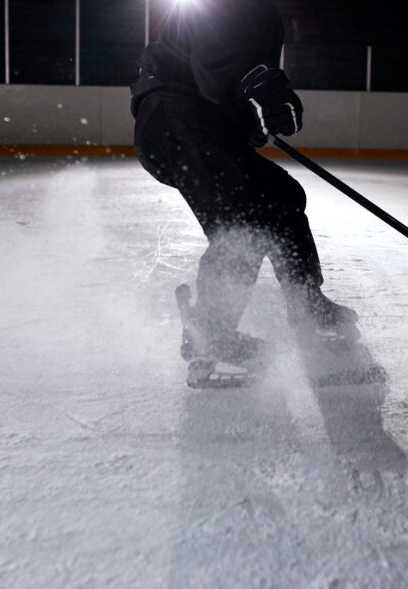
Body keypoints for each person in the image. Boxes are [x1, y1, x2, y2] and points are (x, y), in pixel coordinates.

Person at [130, 0, 357, 387]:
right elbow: (215, 62)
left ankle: (305, 302)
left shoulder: (264, 14)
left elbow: (231, 85)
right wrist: (259, 86)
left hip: (200, 123)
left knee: (280, 196)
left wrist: (261, 112)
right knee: (241, 222)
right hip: (177, 118)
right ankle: (211, 339)